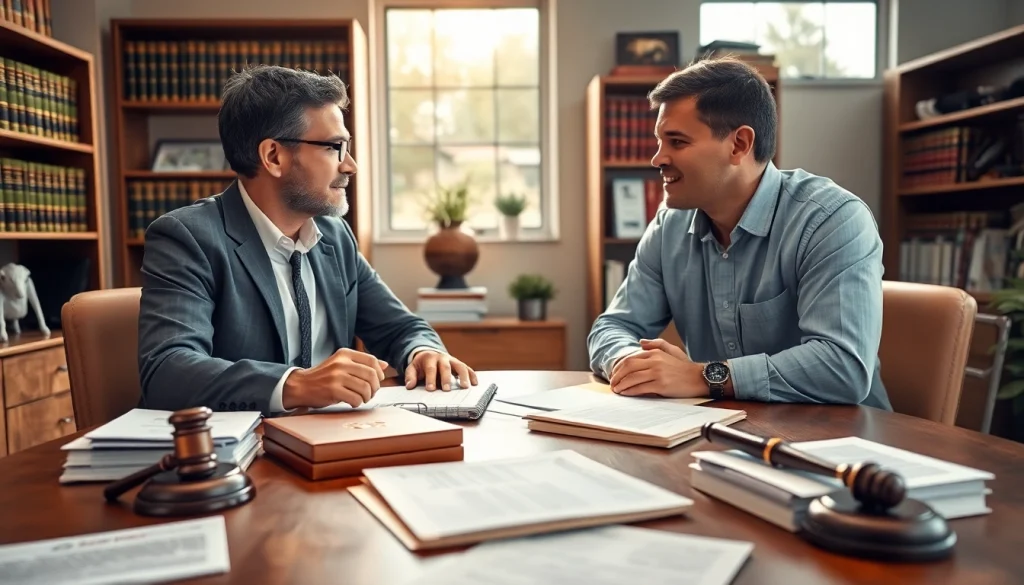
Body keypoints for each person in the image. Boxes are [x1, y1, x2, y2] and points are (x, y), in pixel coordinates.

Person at [138, 65, 478, 415]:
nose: (350, 166)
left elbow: (399, 327)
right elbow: (167, 370)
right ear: (274, 156)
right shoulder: (188, 238)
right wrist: (295, 384)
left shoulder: (335, 235)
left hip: (333, 436)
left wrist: (422, 351)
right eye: (334, 147)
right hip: (245, 443)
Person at [587, 56, 891, 410]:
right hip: (725, 429)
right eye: (659, 142)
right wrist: (629, 363)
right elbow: (611, 328)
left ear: (739, 144)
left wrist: (704, 377)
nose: (658, 158)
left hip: (843, 435)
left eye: (677, 142)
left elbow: (842, 367)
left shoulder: (832, 220)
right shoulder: (669, 227)